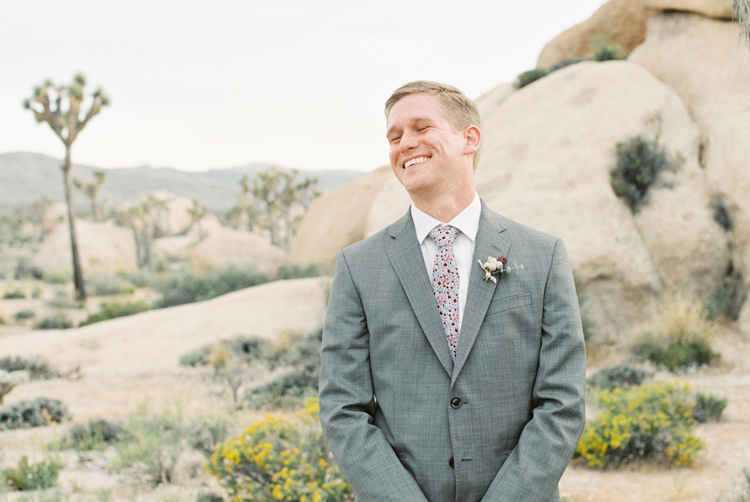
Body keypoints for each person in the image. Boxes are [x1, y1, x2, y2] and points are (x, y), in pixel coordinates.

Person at [319, 80, 586, 502]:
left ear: (469, 139)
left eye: (421, 128)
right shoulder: (357, 266)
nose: (405, 143)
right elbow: (343, 409)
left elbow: (561, 403)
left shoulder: (543, 255)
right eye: (394, 136)